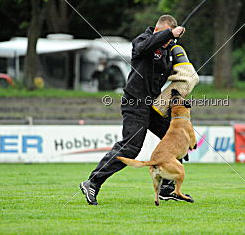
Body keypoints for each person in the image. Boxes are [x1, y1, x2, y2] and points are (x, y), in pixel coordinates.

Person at [80, 15, 197, 205]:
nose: (169, 41)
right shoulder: (142, 41)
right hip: (135, 103)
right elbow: (145, 47)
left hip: (153, 105)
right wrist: (169, 33)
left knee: (174, 137)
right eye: (167, 36)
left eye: (172, 39)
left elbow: (182, 71)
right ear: (159, 30)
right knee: (130, 148)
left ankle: (167, 189)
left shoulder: (167, 50)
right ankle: (92, 183)